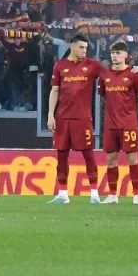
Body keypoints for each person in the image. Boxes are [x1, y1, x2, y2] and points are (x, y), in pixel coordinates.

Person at [45, 36, 104, 204]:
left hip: (82, 118)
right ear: (72, 46)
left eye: (86, 47)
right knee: (61, 155)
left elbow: (111, 74)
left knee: (88, 155)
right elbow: (55, 90)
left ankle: (94, 194)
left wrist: (133, 69)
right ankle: (63, 194)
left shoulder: (91, 65)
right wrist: (51, 114)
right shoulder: (60, 65)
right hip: (62, 118)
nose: (84, 50)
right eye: (81, 47)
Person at [98, 41, 138, 204]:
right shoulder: (104, 75)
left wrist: (132, 114)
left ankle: (137, 194)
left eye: (118, 53)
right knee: (111, 158)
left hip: (128, 123)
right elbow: (103, 97)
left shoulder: (134, 74)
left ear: (126, 55)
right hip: (110, 124)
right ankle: (112, 195)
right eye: (113, 53)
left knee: (132, 157)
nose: (115, 56)